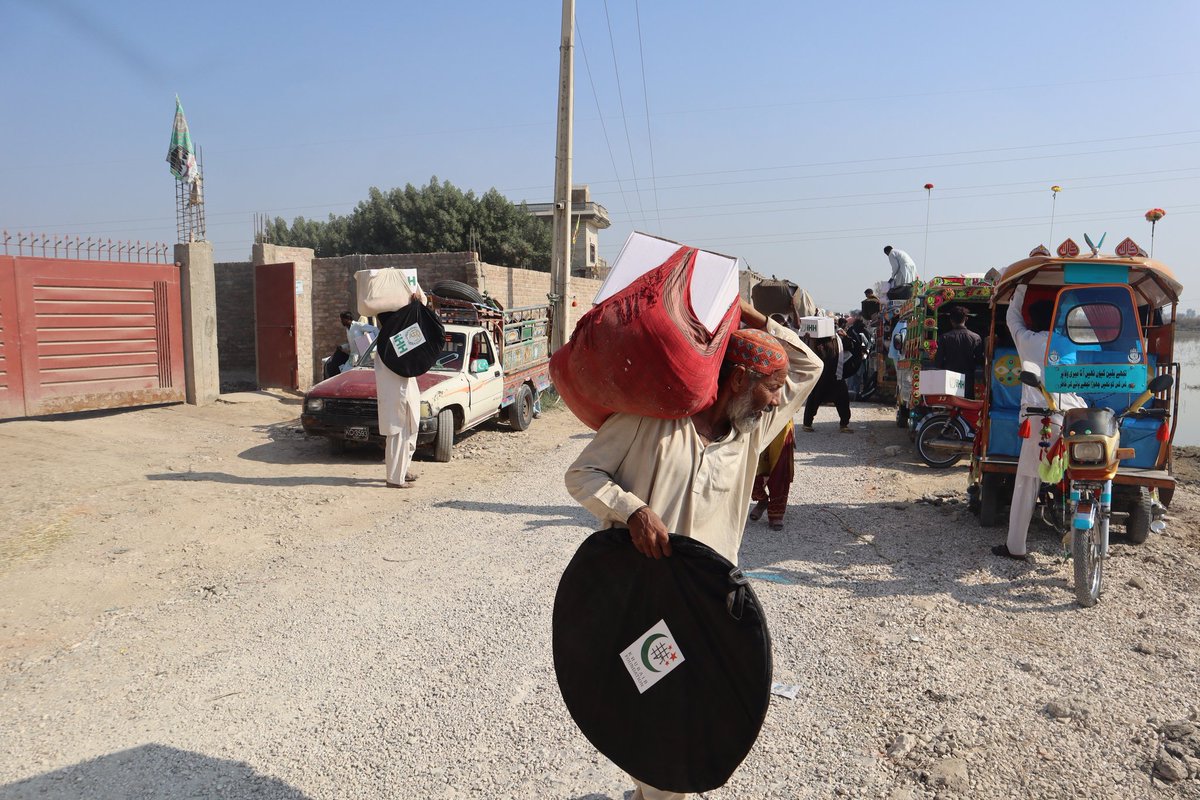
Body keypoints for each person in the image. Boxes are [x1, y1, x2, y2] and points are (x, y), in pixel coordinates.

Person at [565, 301, 822, 800]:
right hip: (644, 596)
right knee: (653, 708)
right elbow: (582, 475)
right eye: (771, 386)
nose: (776, 401)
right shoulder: (650, 419)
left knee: (687, 710)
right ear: (739, 378)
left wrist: (744, 311)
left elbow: (810, 365)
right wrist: (632, 510)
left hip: (706, 606)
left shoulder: (750, 432)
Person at [996, 284, 1084, 559]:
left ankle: (1016, 547)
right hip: (1074, 417)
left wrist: (1022, 286)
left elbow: (1012, 317)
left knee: (1026, 483)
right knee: (1080, 478)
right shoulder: (1069, 343)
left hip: (1040, 419)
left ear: (1032, 320)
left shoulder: (1027, 340)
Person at [375, 290, 427, 489]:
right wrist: (417, 304)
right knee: (398, 433)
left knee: (409, 430)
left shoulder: (390, 340)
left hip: (404, 389)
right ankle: (395, 479)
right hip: (397, 394)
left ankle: (403, 470)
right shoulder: (390, 343)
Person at [802, 322, 859, 433]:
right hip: (823, 375)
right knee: (814, 399)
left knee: (843, 399)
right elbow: (815, 352)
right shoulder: (821, 339)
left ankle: (844, 424)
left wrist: (846, 336)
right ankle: (807, 424)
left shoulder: (838, 338)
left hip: (836, 375)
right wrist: (810, 340)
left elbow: (850, 346)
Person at [749, 420, 795, 531]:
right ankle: (762, 500)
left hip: (781, 424)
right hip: (756, 421)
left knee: (780, 470)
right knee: (750, 469)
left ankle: (776, 513)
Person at [934, 305, 983, 399]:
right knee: (967, 404)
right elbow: (979, 361)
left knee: (952, 406)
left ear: (951, 320)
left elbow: (938, 362)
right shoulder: (976, 337)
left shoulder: (944, 337)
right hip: (969, 379)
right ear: (966, 319)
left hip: (950, 379)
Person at [324, 311, 378, 379]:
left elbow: (375, 329)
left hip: (363, 358)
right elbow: (351, 344)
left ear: (347, 319)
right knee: (343, 375)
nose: (341, 321)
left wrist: (375, 343)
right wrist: (342, 346)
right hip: (353, 358)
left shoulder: (357, 325)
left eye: (342, 320)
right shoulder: (347, 329)